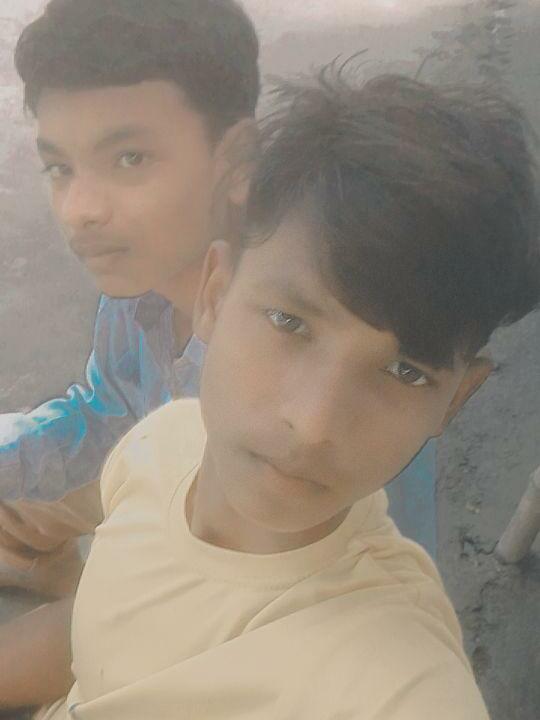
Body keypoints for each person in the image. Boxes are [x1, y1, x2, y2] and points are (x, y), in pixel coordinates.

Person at [4, 65, 540, 718]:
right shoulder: (163, 444)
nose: (313, 424)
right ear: (214, 294)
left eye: (405, 372)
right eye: (289, 322)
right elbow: (107, 628)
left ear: (454, 401)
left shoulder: (401, 689)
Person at [0, 0, 436, 601]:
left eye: (129, 159)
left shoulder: (303, 351)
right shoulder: (141, 292)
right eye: (60, 168)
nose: (80, 210)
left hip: (293, 604)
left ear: (236, 160)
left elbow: (251, 589)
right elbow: (106, 411)